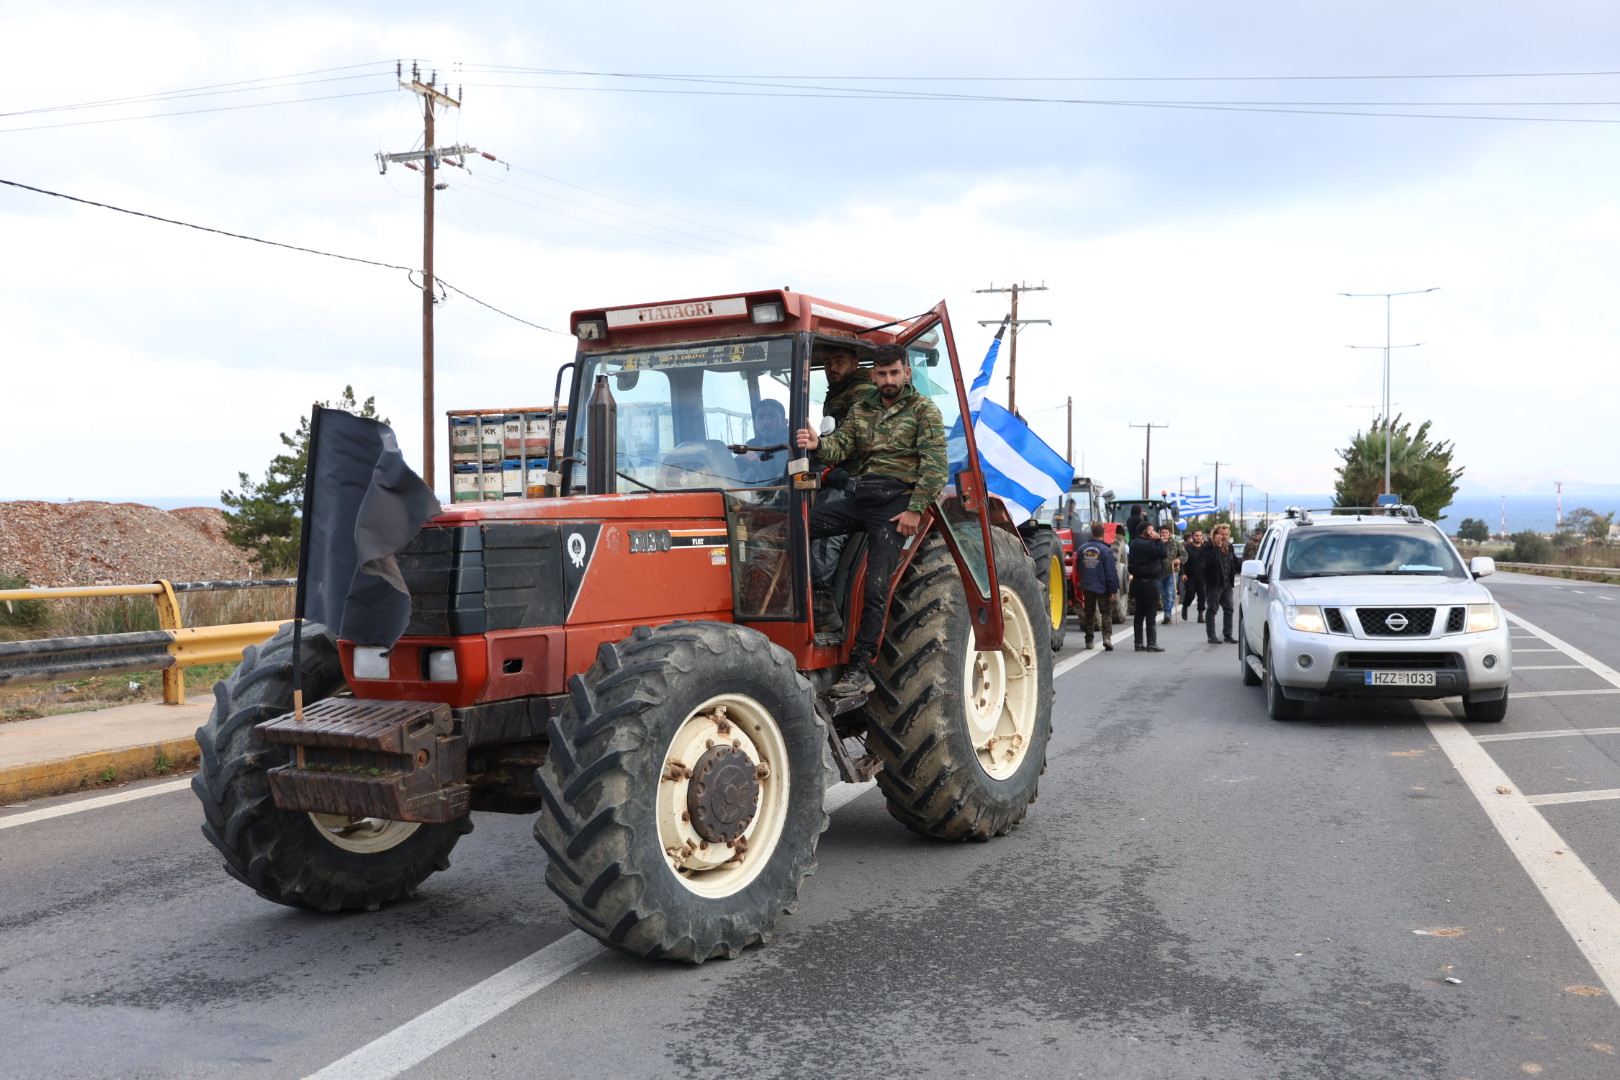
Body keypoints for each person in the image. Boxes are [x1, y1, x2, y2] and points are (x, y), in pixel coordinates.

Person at [797, 342, 946, 696]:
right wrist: (819, 446)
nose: (888, 379)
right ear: (874, 375)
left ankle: (859, 668)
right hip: (861, 496)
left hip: (894, 505)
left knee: (877, 588)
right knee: (796, 530)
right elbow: (843, 445)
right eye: (882, 373)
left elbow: (936, 465)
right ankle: (820, 598)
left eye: (894, 372)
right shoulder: (862, 408)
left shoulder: (924, 410)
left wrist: (915, 508)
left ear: (907, 373)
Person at [809, 344, 879, 635]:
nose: (832, 367)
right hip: (835, 471)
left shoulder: (862, 393)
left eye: (839, 360)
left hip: (858, 481)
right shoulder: (837, 393)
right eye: (827, 362)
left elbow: (855, 439)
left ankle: (820, 597)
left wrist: (836, 468)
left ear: (854, 361)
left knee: (826, 524)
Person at [1075, 522, 1119, 651]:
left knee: (1089, 612)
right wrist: (1113, 590)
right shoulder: (1106, 550)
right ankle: (1106, 638)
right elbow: (1111, 572)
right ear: (1103, 534)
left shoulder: (1082, 549)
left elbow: (1078, 567)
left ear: (1091, 533)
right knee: (1106, 612)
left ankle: (1089, 640)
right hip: (1102, 587)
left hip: (1087, 585)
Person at [1127, 524, 1167, 651]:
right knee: (1151, 613)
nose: (1154, 532)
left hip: (1138, 582)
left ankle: (1138, 643)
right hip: (1149, 582)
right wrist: (1158, 539)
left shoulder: (1133, 543)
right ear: (1145, 532)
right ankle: (1151, 643)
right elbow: (1163, 553)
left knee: (1139, 612)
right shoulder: (1149, 544)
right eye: (1151, 530)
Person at [1201, 522, 1238, 644]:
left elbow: (1236, 564)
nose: (1224, 537)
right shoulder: (1209, 546)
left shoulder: (1229, 547)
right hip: (1214, 584)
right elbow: (1210, 561)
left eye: (1226, 534)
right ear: (1215, 534)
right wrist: (1217, 546)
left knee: (1229, 609)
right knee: (1212, 609)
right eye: (1222, 534)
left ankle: (1228, 635)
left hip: (1226, 583)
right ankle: (1211, 636)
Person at [1159, 521, 1186, 626]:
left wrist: (1179, 560)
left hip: (1172, 571)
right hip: (1159, 573)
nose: (1164, 534)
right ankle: (1167, 612)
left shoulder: (1175, 543)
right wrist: (1159, 543)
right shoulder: (1156, 543)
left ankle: (1167, 615)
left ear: (1170, 533)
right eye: (1162, 532)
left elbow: (1184, 555)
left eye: (1166, 532)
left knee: (1170, 592)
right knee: (1163, 594)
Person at [1180, 528, 1207, 622]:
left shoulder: (1205, 548)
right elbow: (1183, 562)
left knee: (1202, 595)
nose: (1198, 537)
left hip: (1202, 576)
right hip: (1190, 575)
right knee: (1190, 595)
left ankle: (1200, 615)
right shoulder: (1187, 548)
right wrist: (1182, 573)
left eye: (1200, 536)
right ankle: (1185, 606)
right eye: (1196, 535)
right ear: (1192, 537)